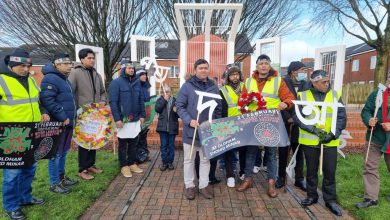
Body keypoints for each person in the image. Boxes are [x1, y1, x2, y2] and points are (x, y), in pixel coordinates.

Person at [237, 54, 294, 198]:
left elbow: (290, 98)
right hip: (253, 121)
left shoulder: (278, 81)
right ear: (256, 66)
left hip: (271, 122)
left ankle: (271, 183)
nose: (263, 65)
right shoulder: (249, 81)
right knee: (251, 151)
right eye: (261, 63)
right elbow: (242, 98)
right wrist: (243, 106)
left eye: (266, 63)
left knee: (271, 153)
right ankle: (248, 179)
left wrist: (285, 103)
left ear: (270, 66)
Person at [0, 48, 48, 220]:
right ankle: (12, 206)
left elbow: (39, 100)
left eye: (28, 65)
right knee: (12, 173)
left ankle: (25, 198)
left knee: (30, 168)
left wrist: (43, 111)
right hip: (12, 134)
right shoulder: (1, 80)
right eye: (22, 66)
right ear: (11, 64)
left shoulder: (31, 80)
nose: (26, 69)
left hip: (33, 131)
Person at [294, 70, 346, 216]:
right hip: (310, 141)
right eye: (323, 82)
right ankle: (312, 196)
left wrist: (333, 134)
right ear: (314, 83)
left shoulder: (335, 95)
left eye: (327, 81)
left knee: (329, 171)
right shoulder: (302, 96)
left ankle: (330, 200)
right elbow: (297, 117)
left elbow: (341, 117)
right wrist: (314, 130)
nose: (326, 84)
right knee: (311, 170)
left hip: (330, 141)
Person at [176, 59, 222, 200]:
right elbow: (179, 106)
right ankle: (189, 185)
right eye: (201, 68)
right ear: (195, 69)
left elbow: (219, 107)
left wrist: (215, 124)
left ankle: (203, 185)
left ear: (208, 70)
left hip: (207, 131)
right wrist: (189, 121)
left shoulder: (214, 87)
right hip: (192, 130)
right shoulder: (187, 86)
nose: (203, 70)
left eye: (206, 68)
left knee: (205, 160)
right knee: (189, 160)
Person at [40, 53, 78, 194]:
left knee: (64, 152)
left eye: (70, 63)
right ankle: (54, 183)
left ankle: (62, 178)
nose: (70, 66)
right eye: (67, 63)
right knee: (56, 154)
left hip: (68, 122)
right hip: (59, 123)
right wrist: (62, 117)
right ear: (58, 64)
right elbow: (48, 100)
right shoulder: (50, 78)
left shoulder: (64, 79)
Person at [68, 48, 107, 180]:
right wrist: (76, 110)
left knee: (94, 139)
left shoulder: (96, 74)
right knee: (84, 142)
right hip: (82, 114)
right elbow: (70, 93)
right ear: (82, 59)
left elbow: (102, 91)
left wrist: (102, 101)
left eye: (93, 58)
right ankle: (82, 169)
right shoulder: (75, 72)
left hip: (96, 114)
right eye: (89, 58)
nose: (92, 60)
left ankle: (91, 165)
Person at [356, 71, 390, 209]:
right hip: (375, 136)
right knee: (370, 166)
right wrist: (369, 119)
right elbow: (366, 111)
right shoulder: (378, 93)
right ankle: (371, 199)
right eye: (389, 77)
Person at [109, 60, 145, 178]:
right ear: (123, 69)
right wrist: (117, 119)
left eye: (132, 68)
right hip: (123, 120)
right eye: (129, 68)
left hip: (135, 119)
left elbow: (141, 100)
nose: (131, 70)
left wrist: (142, 115)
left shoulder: (137, 83)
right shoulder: (116, 83)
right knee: (123, 144)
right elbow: (113, 103)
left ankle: (132, 163)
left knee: (134, 143)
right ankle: (124, 166)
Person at [276, 61, 307, 191]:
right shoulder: (283, 82)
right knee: (283, 151)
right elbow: (278, 101)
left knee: (299, 151)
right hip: (286, 122)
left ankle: (299, 178)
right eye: (302, 70)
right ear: (293, 71)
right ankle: (281, 177)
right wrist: (288, 117)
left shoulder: (306, 84)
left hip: (301, 123)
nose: (304, 73)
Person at [219, 65, 245, 188]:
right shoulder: (223, 90)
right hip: (229, 124)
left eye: (237, 74)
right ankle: (230, 176)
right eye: (232, 74)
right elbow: (222, 109)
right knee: (229, 151)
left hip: (245, 122)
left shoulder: (246, 87)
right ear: (228, 77)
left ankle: (243, 173)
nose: (235, 76)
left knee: (244, 149)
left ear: (240, 75)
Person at [155, 85, 179, 171]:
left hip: (172, 127)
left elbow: (180, 114)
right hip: (163, 127)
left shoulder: (176, 101)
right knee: (164, 145)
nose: (167, 94)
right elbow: (157, 109)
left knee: (171, 146)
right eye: (165, 92)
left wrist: (177, 111)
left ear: (171, 92)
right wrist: (164, 100)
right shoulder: (160, 100)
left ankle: (170, 162)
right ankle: (164, 162)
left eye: (168, 92)